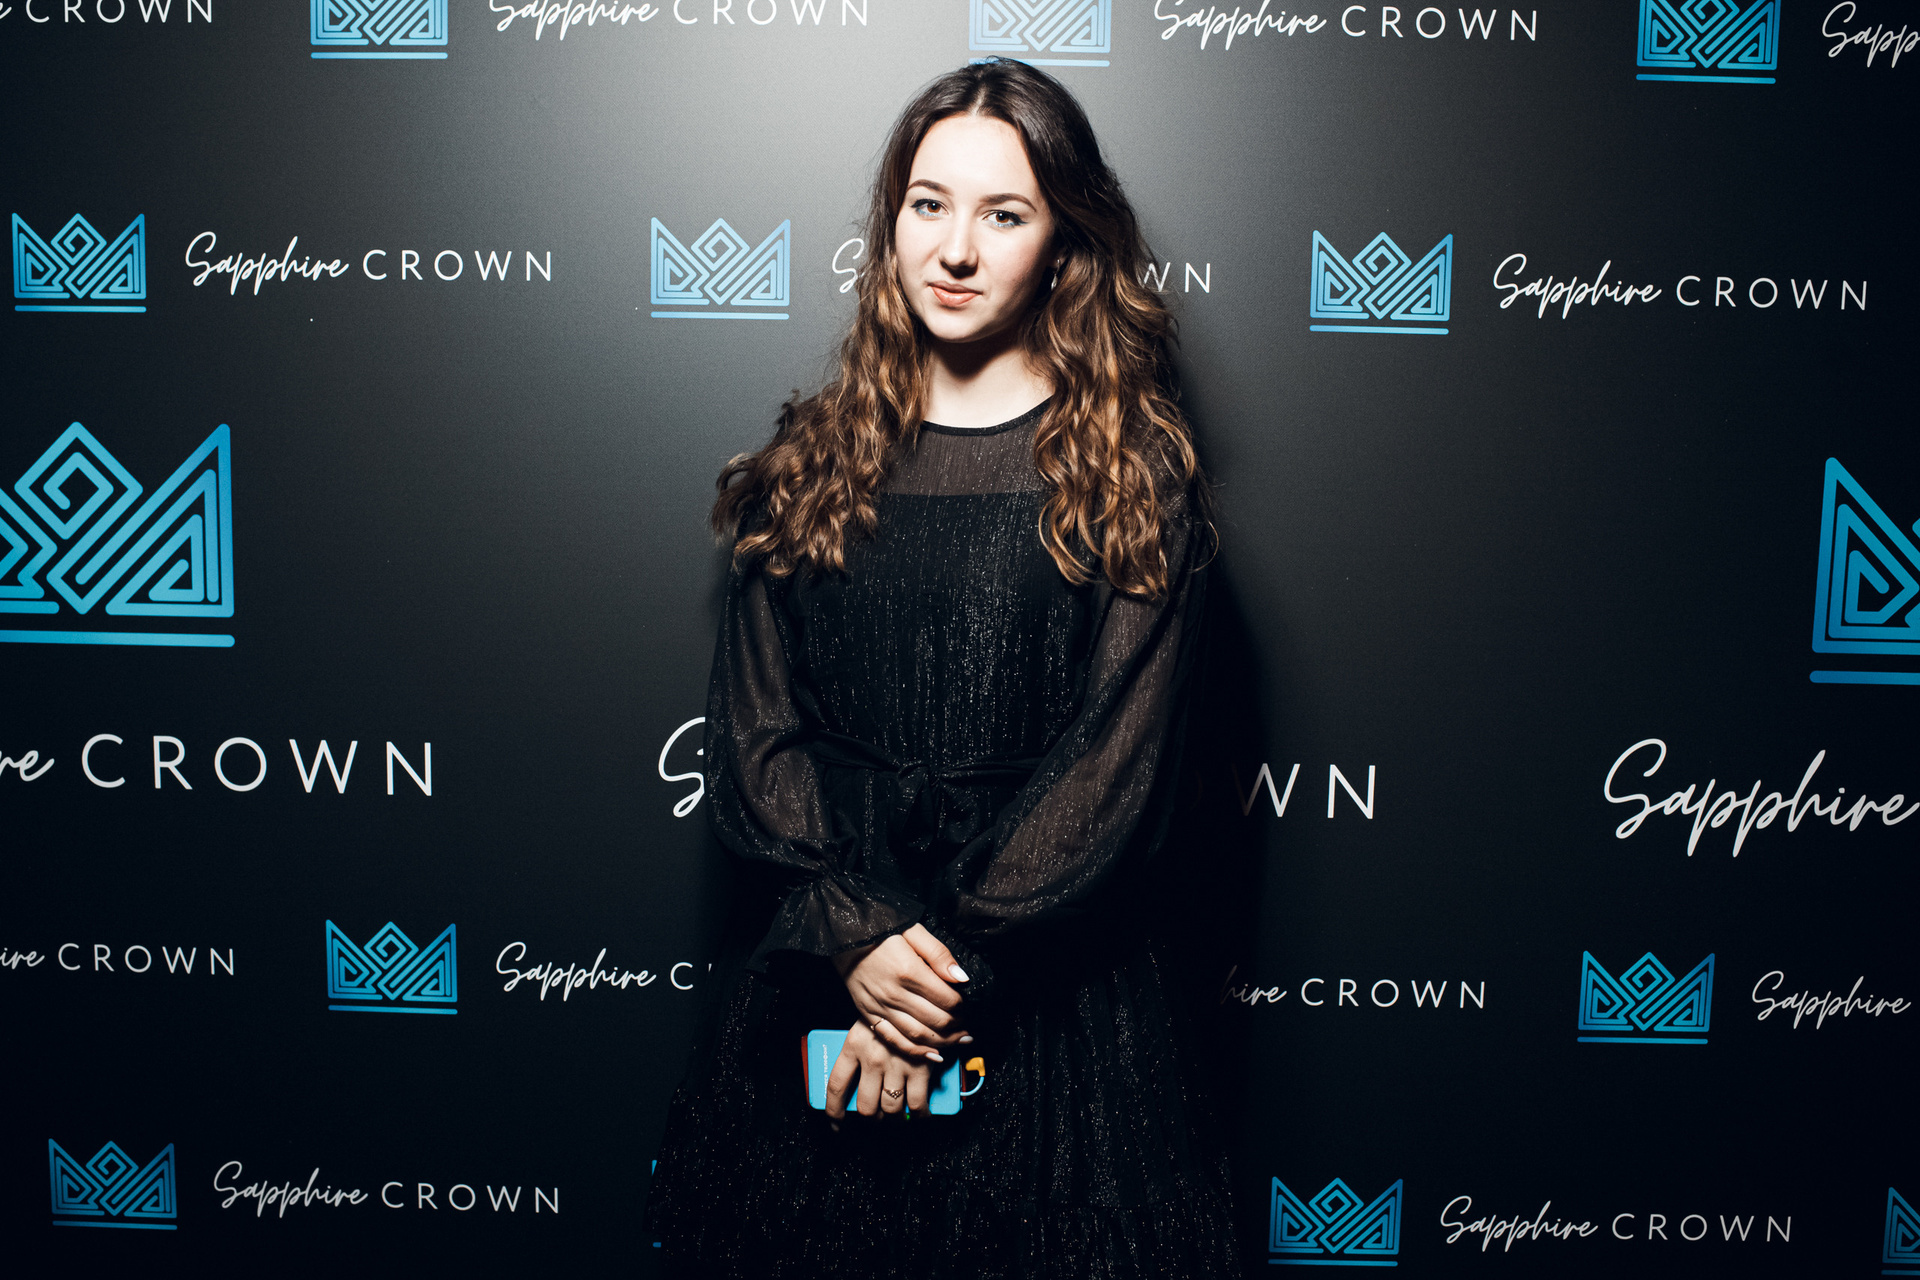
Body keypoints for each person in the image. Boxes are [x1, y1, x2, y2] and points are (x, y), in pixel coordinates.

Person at [645, 59, 1237, 1279]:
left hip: (1052, 1007)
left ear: (1064, 246)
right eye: (928, 204)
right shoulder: (808, 462)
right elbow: (755, 741)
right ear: (892, 221)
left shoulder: (1134, 476)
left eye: (1003, 213)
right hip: (826, 972)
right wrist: (857, 934)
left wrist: (928, 984)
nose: (955, 249)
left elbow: (1112, 776)